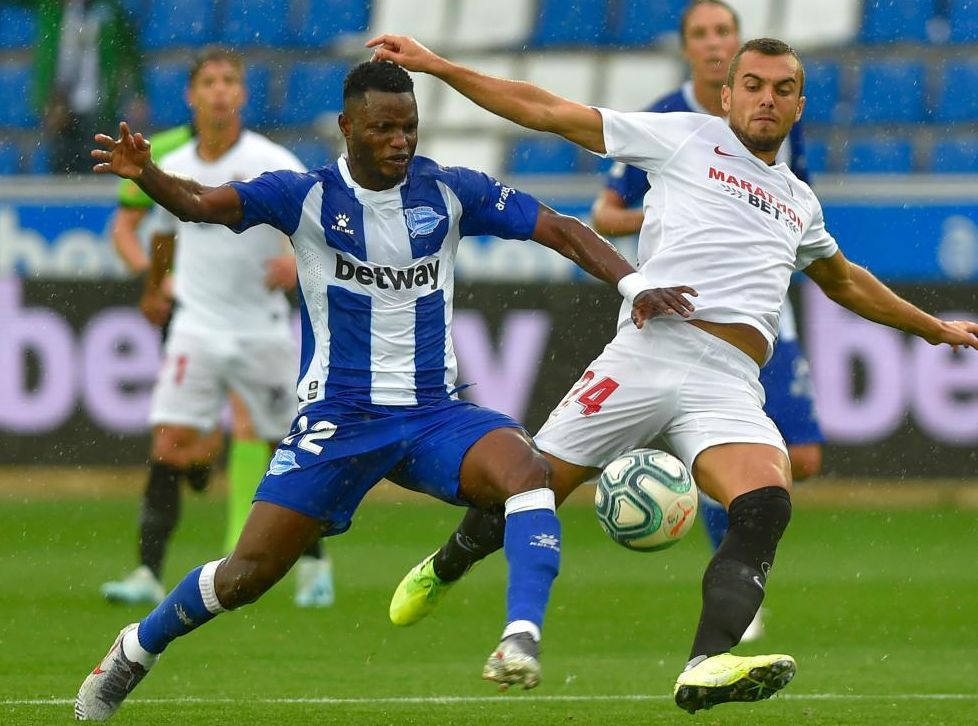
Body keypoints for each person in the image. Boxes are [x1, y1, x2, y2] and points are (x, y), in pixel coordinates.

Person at [368, 34, 978, 714]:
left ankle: (706, 662)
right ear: (726, 95)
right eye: (752, 85)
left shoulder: (800, 201)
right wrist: (441, 66)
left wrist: (933, 328)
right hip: (649, 352)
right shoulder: (686, 139)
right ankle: (448, 562)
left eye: (781, 89)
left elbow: (844, 282)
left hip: (729, 380)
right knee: (532, 486)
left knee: (766, 504)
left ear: (800, 105)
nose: (765, 99)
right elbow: (548, 110)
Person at [75, 60, 696, 721]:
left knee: (527, 472)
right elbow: (200, 204)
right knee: (246, 576)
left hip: (434, 413)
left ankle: (520, 638)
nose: (400, 141)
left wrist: (633, 284)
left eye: (410, 127)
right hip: (340, 416)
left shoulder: (451, 191)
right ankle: (136, 648)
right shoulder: (304, 195)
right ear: (347, 127)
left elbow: (562, 229)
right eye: (383, 129)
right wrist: (150, 176)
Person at [591, 0, 825, 642]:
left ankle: (694, 472)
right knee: (746, 460)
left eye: (725, 30)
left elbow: (790, 198)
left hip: (762, 301)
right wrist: (697, 203)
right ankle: (727, 570)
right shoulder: (670, 119)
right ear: (690, 49)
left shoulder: (773, 106)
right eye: (703, 34)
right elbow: (605, 214)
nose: (716, 41)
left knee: (801, 456)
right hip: (688, 307)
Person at [99, 46, 334, 611]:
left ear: (243, 94)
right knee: (171, 443)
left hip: (261, 329)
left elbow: (321, 230)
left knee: (293, 449)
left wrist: (295, 265)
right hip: (196, 326)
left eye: (231, 80)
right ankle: (147, 573)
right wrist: (156, 286)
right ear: (191, 95)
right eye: (210, 82)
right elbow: (161, 233)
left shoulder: (270, 159)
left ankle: (315, 569)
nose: (221, 91)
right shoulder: (171, 160)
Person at [24, 0, 146, 173]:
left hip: (99, 104)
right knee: (62, 166)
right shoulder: (51, 10)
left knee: (97, 164)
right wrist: (49, 98)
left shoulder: (109, 11)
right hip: (60, 107)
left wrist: (137, 93)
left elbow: (128, 53)